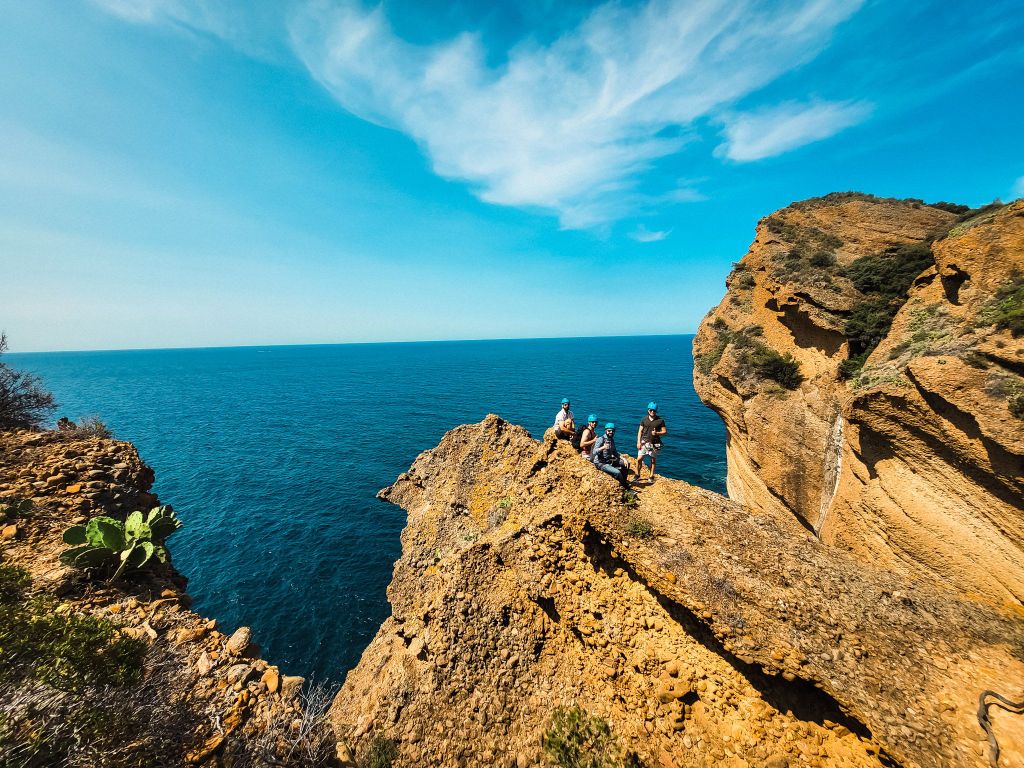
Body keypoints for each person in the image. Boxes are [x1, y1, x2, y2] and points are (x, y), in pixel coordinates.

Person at [636, 402, 667, 481]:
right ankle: (637, 474)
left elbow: (664, 431)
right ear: (648, 410)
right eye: (651, 410)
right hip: (644, 441)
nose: (652, 412)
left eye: (654, 410)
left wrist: (657, 433)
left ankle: (651, 476)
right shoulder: (644, 419)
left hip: (655, 443)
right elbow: (640, 431)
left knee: (653, 460)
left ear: (656, 411)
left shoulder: (660, 420)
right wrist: (638, 442)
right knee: (639, 459)